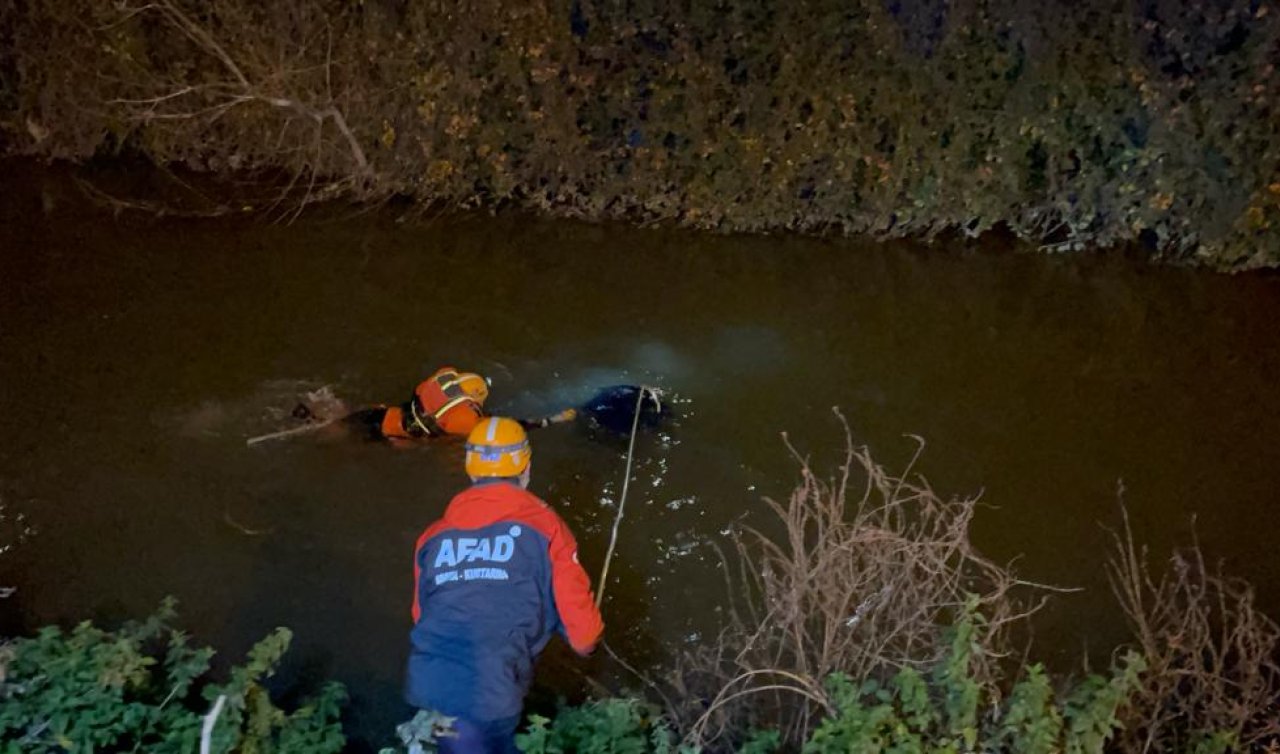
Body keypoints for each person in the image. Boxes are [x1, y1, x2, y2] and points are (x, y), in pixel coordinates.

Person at [406, 417, 604, 753]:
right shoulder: (548, 528)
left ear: (471, 472)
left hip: (428, 685)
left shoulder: (431, 537)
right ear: (525, 469)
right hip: (491, 695)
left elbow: (420, 614)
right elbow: (584, 637)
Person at [345, 366, 574, 442]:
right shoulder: (464, 419)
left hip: (380, 414)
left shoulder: (442, 378)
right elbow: (508, 427)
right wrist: (552, 420)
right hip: (385, 437)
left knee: (334, 422)